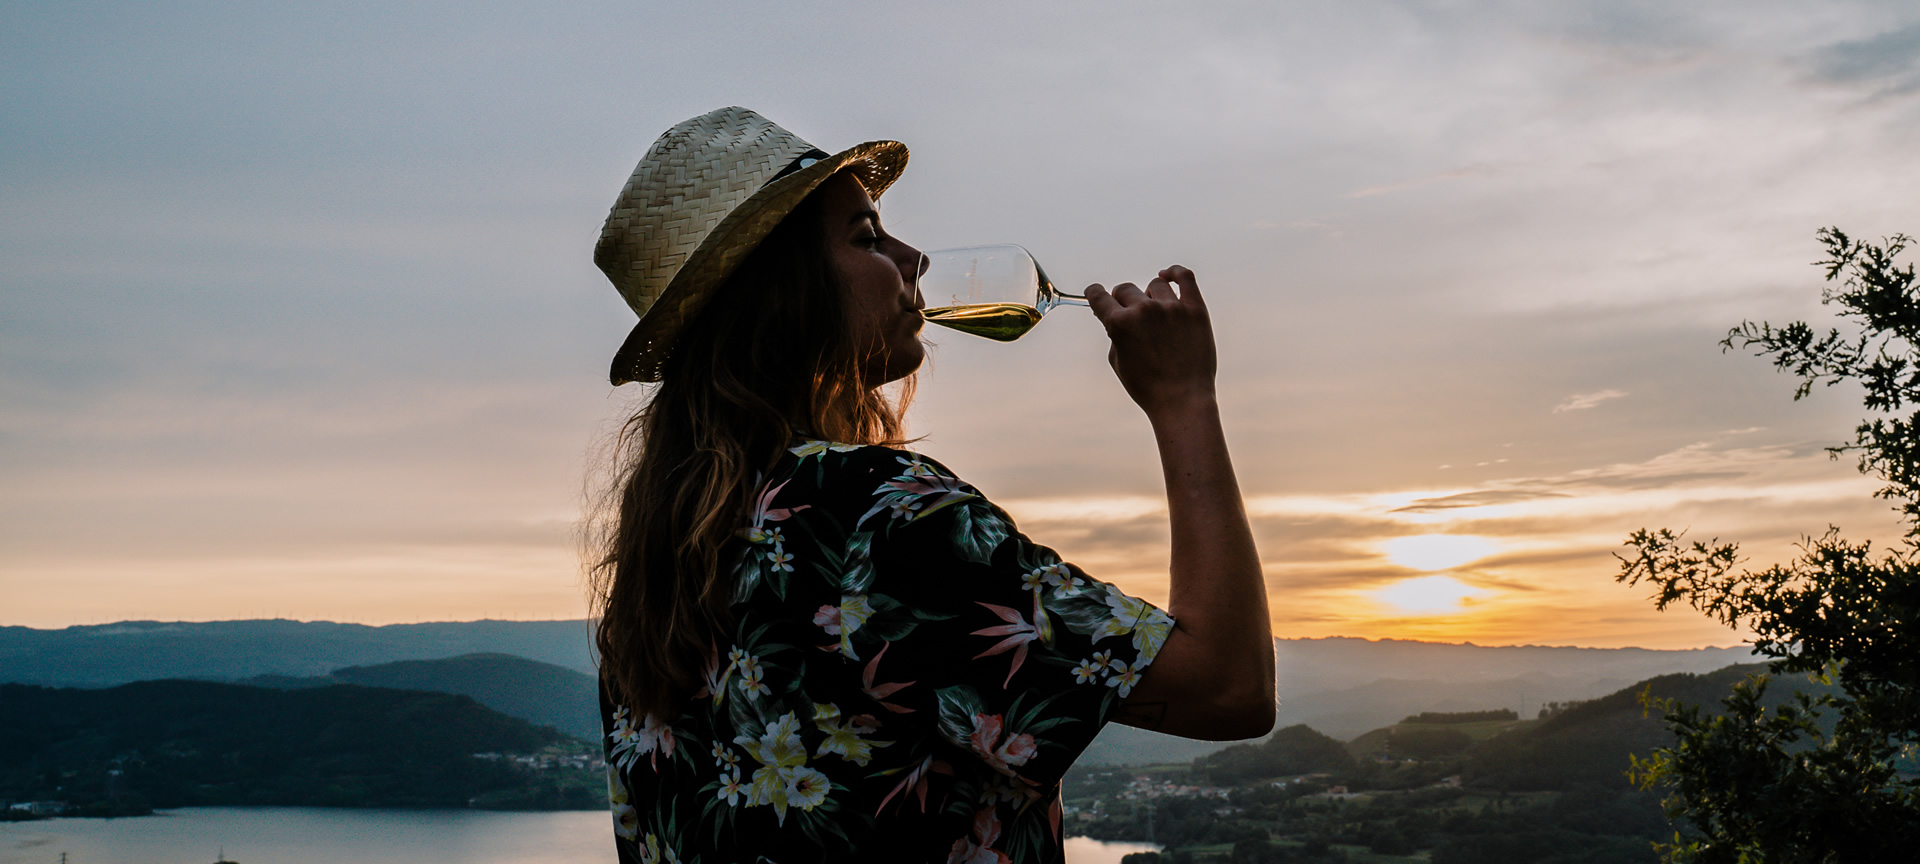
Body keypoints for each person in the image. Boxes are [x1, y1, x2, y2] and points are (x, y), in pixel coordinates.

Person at [587, 107, 1275, 864]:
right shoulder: (880, 517)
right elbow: (1230, 687)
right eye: (866, 236)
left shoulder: (657, 568)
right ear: (782, 291)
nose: (913, 258)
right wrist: (1184, 401)